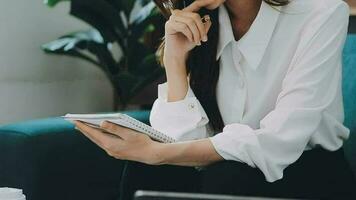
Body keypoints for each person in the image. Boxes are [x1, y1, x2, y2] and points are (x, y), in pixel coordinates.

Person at [74, 0, 356, 199]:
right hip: (229, 173)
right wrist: (175, 60)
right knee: (149, 171)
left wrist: (155, 152)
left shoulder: (322, 11)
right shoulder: (200, 22)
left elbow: (279, 141)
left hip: (308, 174)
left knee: (226, 174)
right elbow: (184, 143)